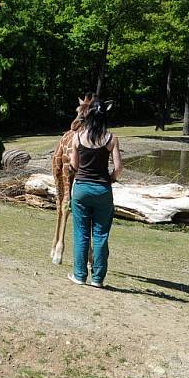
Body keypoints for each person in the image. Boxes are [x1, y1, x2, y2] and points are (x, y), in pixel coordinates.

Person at [67, 96, 122, 288]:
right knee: (100, 235)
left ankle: (79, 275)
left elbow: (74, 165)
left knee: (81, 233)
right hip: (103, 191)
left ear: (88, 116)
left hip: (81, 189)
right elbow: (118, 168)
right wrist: (111, 178)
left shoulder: (77, 137)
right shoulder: (111, 138)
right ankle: (97, 279)